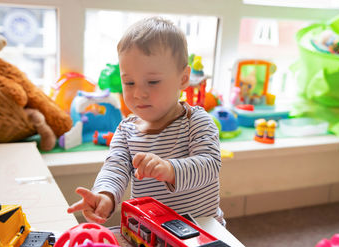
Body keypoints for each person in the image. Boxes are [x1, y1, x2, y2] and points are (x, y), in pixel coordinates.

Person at [67, 16, 225, 225]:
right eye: (129, 82)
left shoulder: (196, 120)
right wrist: (105, 195)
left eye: (152, 82)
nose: (139, 93)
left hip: (201, 230)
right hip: (148, 230)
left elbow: (210, 165)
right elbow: (116, 167)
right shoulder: (125, 130)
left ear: (183, 79)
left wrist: (170, 169)